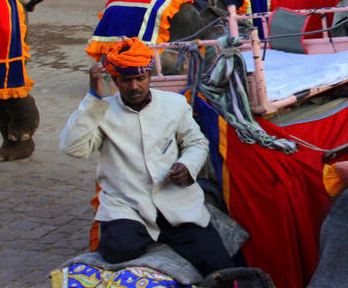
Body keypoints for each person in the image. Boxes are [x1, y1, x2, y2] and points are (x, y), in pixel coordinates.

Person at [59, 37, 233, 276]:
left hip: (176, 202)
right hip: (128, 204)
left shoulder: (174, 104)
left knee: (219, 264)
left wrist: (187, 165)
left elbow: (197, 142)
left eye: (140, 79)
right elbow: (73, 148)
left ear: (149, 77)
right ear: (115, 81)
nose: (134, 87)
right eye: (126, 80)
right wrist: (93, 98)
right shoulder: (102, 111)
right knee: (117, 252)